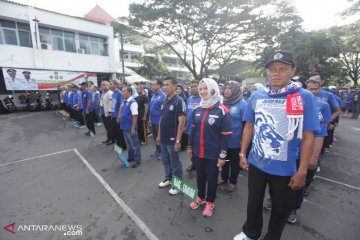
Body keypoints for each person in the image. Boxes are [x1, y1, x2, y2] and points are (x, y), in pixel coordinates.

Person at [233, 50, 319, 240]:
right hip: (257, 163)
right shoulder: (257, 96)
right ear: (267, 72)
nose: (276, 73)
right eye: (272, 69)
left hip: (285, 169)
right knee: (253, 202)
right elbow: (249, 126)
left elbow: (308, 136)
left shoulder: (303, 97)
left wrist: (302, 170)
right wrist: (242, 154)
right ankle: (250, 232)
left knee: (280, 209)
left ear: (292, 71)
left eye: (282, 69)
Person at [187, 78, 232, 217]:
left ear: (213, 89)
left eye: (205, 88)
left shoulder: (222, 110)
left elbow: (226, 136)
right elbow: (193, 130)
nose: (202, 91)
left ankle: (210, 203)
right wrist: (189, 146)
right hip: (198, 152)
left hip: (213, 154)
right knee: (200, 176)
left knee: (212, 179)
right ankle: (200, 197)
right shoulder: (197, 109)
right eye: (200, 89)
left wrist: (222, 156)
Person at [157, 77, 186, 195]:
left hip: (173, 138)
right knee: (165, 160)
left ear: (175, 86)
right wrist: (159, 135)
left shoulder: (179, 101)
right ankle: (168, 178)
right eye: (164, 85)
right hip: (163, 137)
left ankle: (178, 184)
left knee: (175, 162)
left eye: (167, 85)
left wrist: (178, 141)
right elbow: (161, 119)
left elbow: (182, 122)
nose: (165, 87)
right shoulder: (165, 100)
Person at [218, 81, 247, 192]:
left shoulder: (242, 104)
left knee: (234, 163)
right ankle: (224, 178)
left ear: (235, 90)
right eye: (225, 88)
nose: (226, 90)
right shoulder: (222, 102)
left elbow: (246, 125)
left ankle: (233, 181)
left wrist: (243, 141)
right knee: (224, 159)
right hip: (222, 140)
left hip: (235, 140)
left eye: (230, 88)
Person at [119, 87, 142, 168]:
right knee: (128, 144)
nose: (122, 93)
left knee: (134, 145)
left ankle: (137, 159)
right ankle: (131, 157)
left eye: (123, 91)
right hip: (125, 127)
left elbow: (135, 116)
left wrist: (133, 128)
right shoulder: (125, 101)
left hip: (130, 127)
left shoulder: (133, 103)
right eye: (122, 91)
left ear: (129, 92)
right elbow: (121, 110)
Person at [185, 80, 201, 172]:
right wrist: (185, 126)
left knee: (198, 149)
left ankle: (200, 166)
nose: (193, 88)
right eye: (191, 87)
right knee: (190, 148)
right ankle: (193, 164)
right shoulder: (189, 98)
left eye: (195, 86)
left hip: (199, 130)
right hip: (190, 129)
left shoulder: (203, 99)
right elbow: (187, 114)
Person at [149, 80, 166, 159]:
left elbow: (164, 111)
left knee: (161, 138)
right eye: (151, 84)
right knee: (155, 137)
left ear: (159, 85)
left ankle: (163, 153)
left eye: (154, 84)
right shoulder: (153, 95)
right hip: (153, 121)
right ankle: (158, 150)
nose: (152, 86)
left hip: (159, 121)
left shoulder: (163, 96)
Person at [110, 80, 126, 149]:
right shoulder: (113, 93)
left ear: (116, 85)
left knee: (120, 132)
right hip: (113, 115)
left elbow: (121, 105)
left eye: (111, 84)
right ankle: (118, 144)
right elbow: (113, 104)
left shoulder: (119, 93)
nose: (110, 85)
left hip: (118, 116)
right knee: (115, 132)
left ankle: (123, 146)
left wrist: (119, 117)